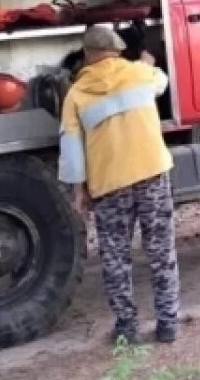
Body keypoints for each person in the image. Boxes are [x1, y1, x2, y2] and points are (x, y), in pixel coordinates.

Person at [58, 26, 179, 344]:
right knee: (161, 251)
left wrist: (79, 191)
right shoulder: (139, 73)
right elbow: (162, 82)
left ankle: (127, 327)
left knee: (115, 257)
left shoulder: (76, 94)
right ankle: (168, 324)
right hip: (152, 175)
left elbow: (71, 149)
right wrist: (148, 63)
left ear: (87, 55)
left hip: (110, 185)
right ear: (116, 50)